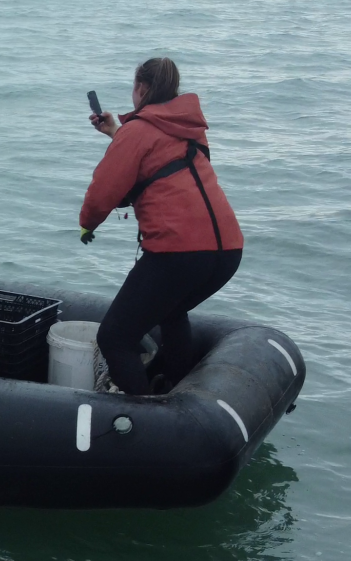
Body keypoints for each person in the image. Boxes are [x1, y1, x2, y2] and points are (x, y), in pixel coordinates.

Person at [81, 57, 245, 395]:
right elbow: (160, 162)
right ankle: (175, 392)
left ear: (140, 88)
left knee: (114, 337)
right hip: (227, 251)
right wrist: (117, 132)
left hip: (179, 253)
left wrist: (87, 224)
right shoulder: (190, 128)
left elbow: (103, 190)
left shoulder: (137, 132)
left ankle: (147, 424)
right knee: (172, 311)